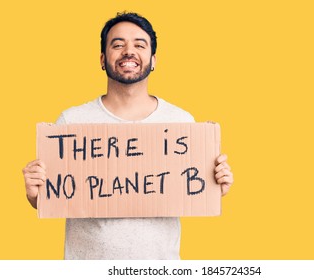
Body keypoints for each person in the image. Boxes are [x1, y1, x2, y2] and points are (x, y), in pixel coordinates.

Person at [22, 12, 233, 259]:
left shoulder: (182, 124)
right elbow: (52, 198)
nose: (128, 51)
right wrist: (34, 194)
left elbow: (194, 191)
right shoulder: (71, 123)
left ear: (153, 60)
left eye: (139, 45)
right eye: (118, 44)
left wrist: (216, 185)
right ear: (103, 59)